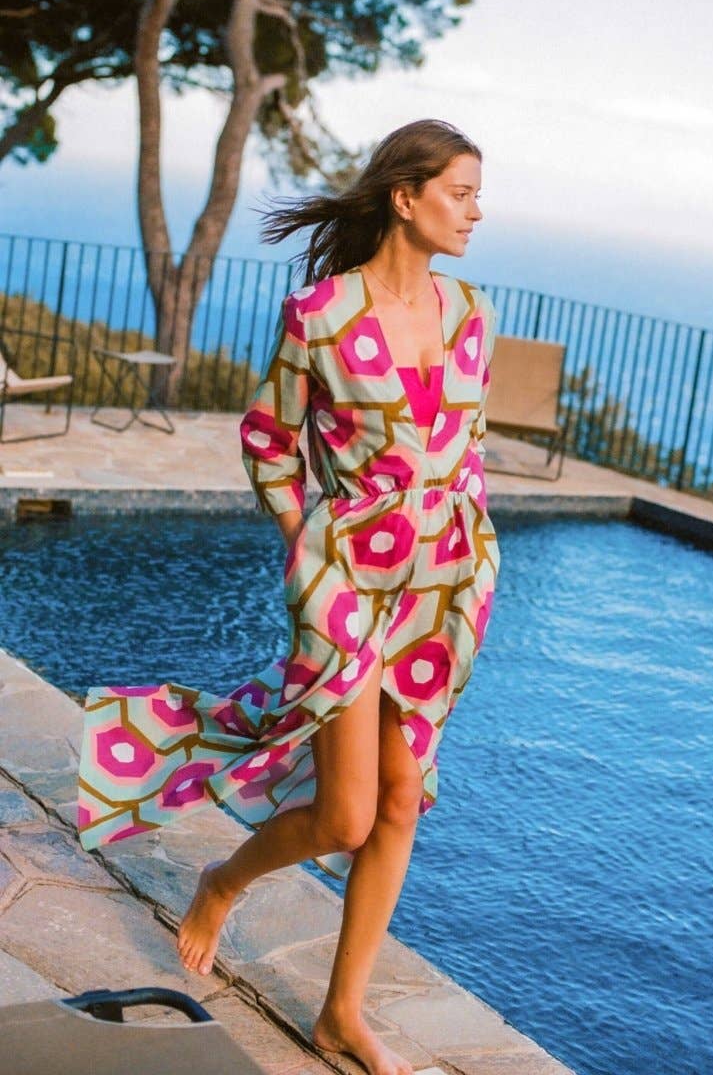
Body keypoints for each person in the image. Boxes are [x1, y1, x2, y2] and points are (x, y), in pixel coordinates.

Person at [77, 118, 500, 1075]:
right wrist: (306, 545)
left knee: (401, 802)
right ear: (407, 197)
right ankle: (224, 882)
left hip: (441, 589)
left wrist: (476, 553)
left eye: (478, 194)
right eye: (462, 192)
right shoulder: (322, 314)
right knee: (345, 817)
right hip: (346, 580)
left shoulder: (472, 312)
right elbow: (269, 440)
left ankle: (342, 1014)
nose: (477, 211)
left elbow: (467, 446)